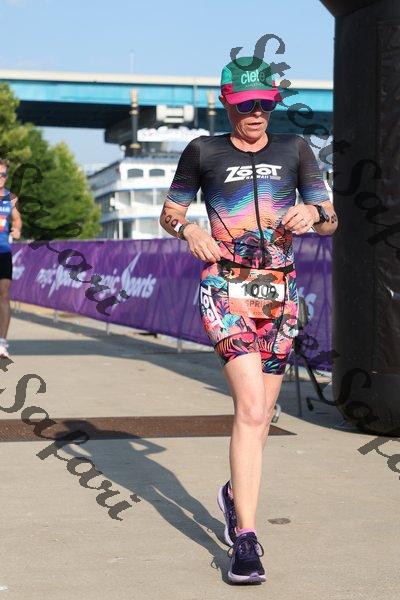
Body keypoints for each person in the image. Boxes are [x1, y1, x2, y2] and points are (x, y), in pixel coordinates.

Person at [160, 56, 338, 584]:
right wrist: (190, 231)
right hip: (224, 289)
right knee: (253, 407)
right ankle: (246, 538)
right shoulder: (204, 151)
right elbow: (170, 212)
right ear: (226, 103)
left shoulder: (295, 149)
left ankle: (233, 495)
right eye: (245, 105)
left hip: (279, 295)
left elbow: (331, 219)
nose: (256, 113)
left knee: (261, 419)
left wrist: (315, 214)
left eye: (265, 103)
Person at [0, 158, 22, 359]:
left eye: (4, 174)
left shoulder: (11, 198)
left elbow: (17, 220)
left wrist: (17, 230)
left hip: (3, 252)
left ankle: (2, 343)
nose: (1, 178)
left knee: (4, 295)